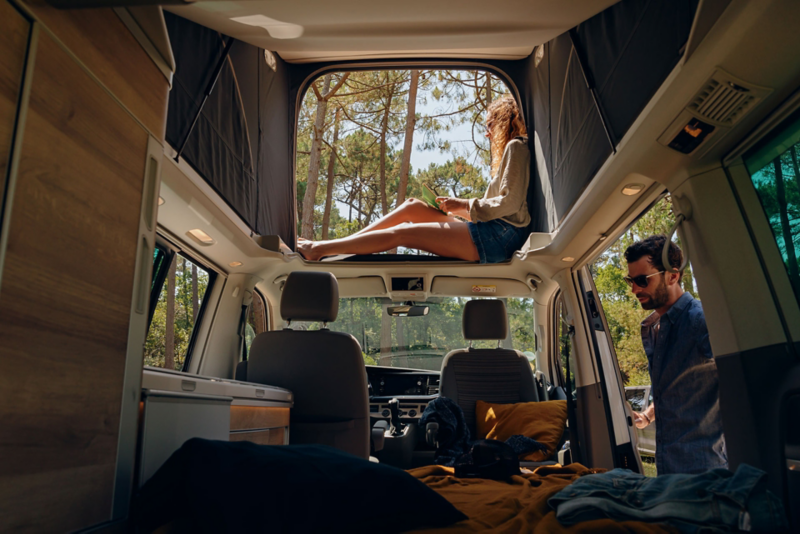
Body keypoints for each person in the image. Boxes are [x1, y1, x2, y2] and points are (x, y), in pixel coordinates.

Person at [297, 95, 531, 262]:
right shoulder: (512, 150)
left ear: (503, 122)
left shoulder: (516, 147)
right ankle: (340, 247)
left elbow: (509, 203)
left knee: (403, 233)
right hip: (491, 230)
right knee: (412, 207)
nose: (488, 132)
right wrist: (456, 210)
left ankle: (318, 249)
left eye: (490, 125)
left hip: (499, 237)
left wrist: (465, 205)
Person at [624, 235, 727, 475]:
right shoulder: (656, 327)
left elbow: (744, 386)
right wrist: (648, 416)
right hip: (669, 472)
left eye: (642, 280)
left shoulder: (702, 321)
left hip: (704, 473)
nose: (634, 289)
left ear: (673, 276)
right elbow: (673, 389)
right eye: (631, 280)